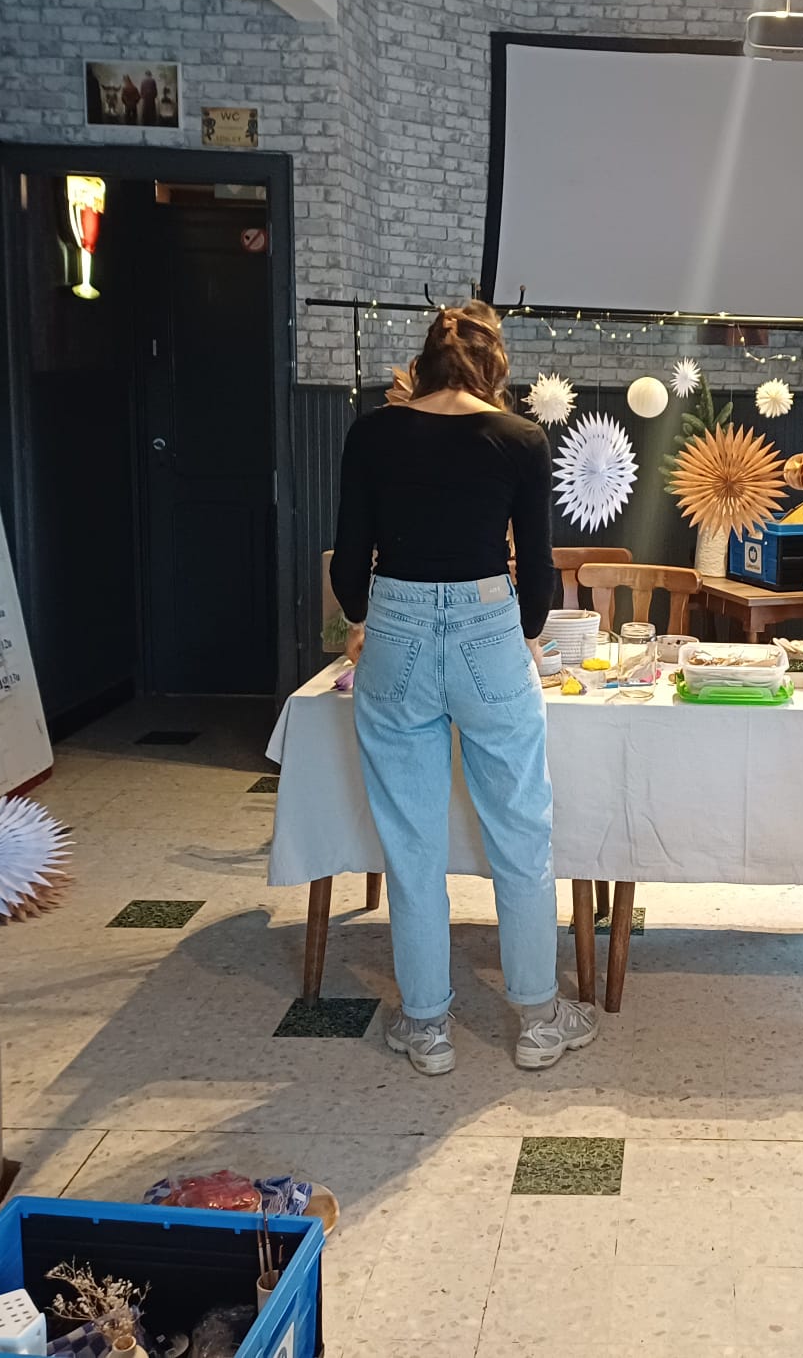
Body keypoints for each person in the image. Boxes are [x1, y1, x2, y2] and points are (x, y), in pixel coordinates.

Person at [329, 300, 594, 1075]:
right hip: (488, 628)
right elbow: (538, 570)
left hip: (397, 628)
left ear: (424, 363)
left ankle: (426, 1027)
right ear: (492, 365)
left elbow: (350, 559)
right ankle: (538, 1018)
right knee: (521, 832)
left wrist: (362, 619)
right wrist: (526, 633)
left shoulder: (373, 433)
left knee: (411, 842)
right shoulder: (520, 438)